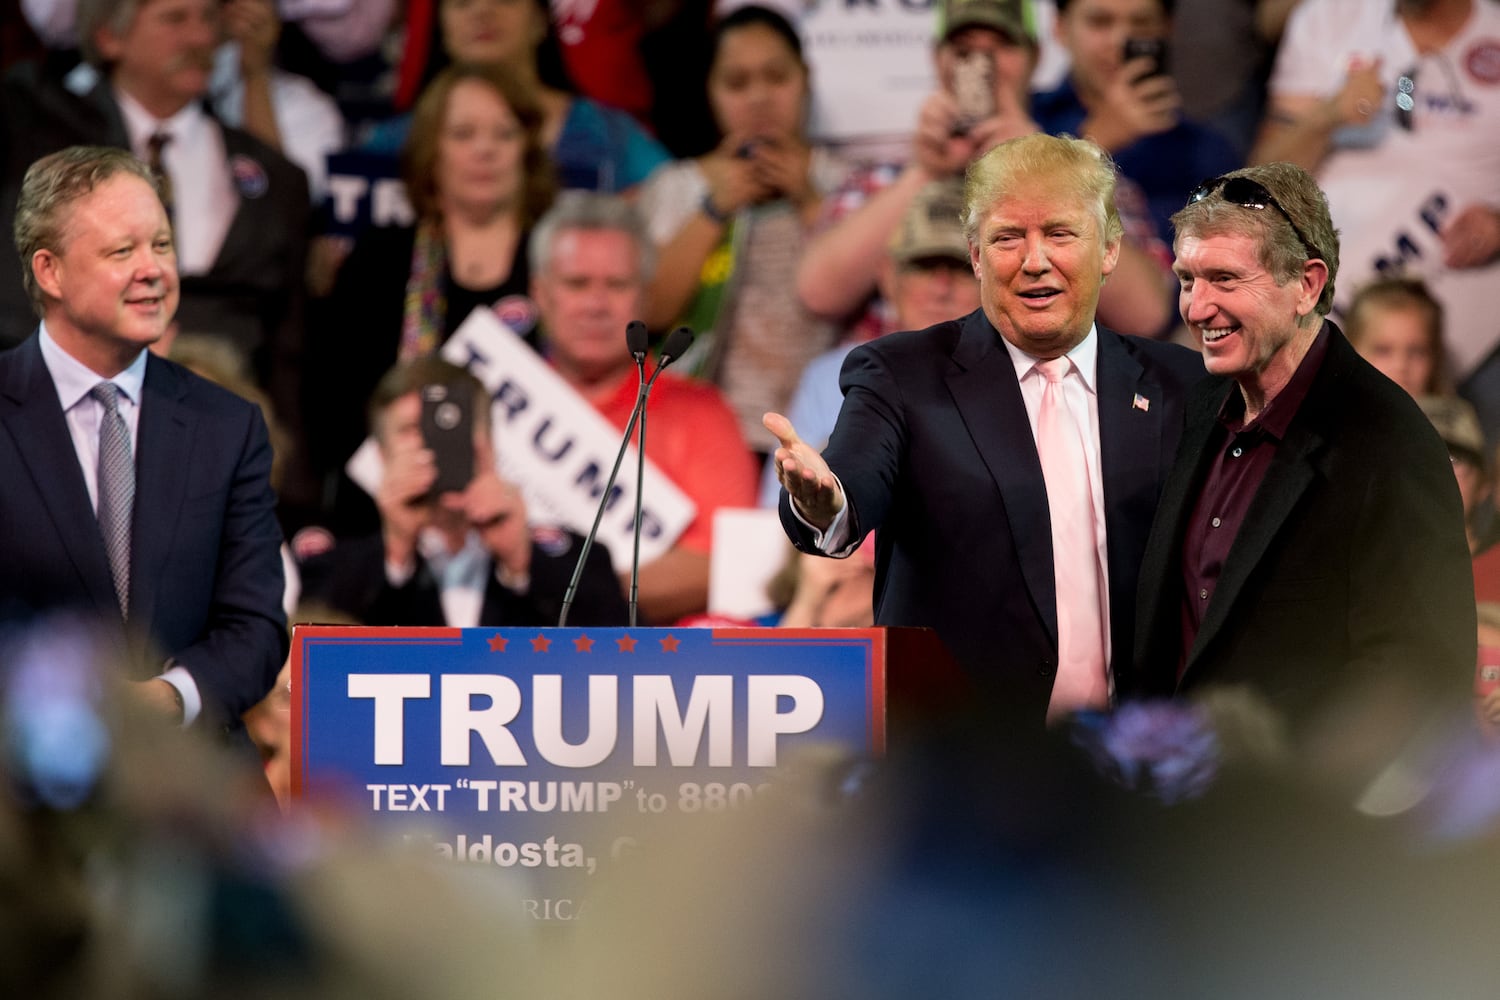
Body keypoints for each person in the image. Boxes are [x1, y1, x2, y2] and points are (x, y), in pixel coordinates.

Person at [766, 133, 1205, 724]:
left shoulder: (1181, 385)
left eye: (1060, 233)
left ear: (1108, 249)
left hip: (1132, 761)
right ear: (976, 255)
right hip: (961, 761)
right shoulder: (902, 374)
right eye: (1007, 238)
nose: (1034, 260)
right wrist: (826, 501)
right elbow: (854, 476)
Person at [1130, 162, 1475, 734]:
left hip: (1293, 810)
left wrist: (1304, 795)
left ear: (1307, 285)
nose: (1196, 308)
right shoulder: (1198, 405)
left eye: (1225, 279)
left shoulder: (1389, 440)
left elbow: (1421, 674)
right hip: (1175, 800)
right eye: (1189, 280)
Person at [0, 145, 286, 746]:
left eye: (161, 244)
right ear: (50, 271)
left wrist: (169, 699)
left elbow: (255, 626)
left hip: (193, 776)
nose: (153, 268)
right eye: (121, 251)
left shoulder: (228, 426)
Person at [0, 0, 311, 434]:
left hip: (214, 440)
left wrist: (292, 485)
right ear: (110, 36)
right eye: (175, 19)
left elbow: (288, 347)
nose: (202, 38)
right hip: (52, 426)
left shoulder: (277, 178)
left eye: (209, 19)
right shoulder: (32, 133)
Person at [795, 0, 1176, 343]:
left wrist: (1040, 164)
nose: (984, 65)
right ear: (937, 59)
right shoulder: (886, 178)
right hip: (900, 405)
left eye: (1001, 47)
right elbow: (818, 293)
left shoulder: (1085, 175)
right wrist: (925, 172)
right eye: (965, 51)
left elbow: (1146, 315)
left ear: (1035, 56)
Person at [308, 62, 557, 531]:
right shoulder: (380, 260)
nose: (484, 150)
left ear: (527, 150)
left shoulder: (560, 260)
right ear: (431, 152)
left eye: (503, 134)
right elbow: (331, 404)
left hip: (531, 514)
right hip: (388, 517)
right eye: (463, 134)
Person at [1250, 0, 1500, 433]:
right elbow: (1260, 184)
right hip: (1330, 303)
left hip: (1472, 317)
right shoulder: (1328, 18)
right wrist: (1327, 116)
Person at [530, 191, 758, 624]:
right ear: (540, 293)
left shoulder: (701, 414)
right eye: (577, 284)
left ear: (645, 298)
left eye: (616, 285)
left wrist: (563, 592)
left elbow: (720, 565)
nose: (596, 305)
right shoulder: (489, 399)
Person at [636, 5, 851, 446]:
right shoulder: (676, 188)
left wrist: (811, 203)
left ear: (806, 78)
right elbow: (648, 312)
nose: (759, 98)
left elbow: (870, 303)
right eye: (737, 83)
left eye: (776, 78)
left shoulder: (845, 183)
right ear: (710, 91)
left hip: (824, 432)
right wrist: (714, 209)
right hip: (698, 435)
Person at [300, 356, 625, 629]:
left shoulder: (581, 564)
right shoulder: (334, 571)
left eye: (449, 427)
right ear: (383, 457)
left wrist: (521, 564)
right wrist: (397, 552)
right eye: (413, 430)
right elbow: (314, 670)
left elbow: (618, 663)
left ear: (489, 441)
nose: (431, 444)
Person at [756, 176, 982, 506]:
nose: (941, 286)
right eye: (923, 265)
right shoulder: (831, 376)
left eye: (959, 267)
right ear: (889, 276)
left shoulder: (1021, 375)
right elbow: (772, 516)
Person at [365, 0, 669, 193]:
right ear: (442, 28)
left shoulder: (611, 135)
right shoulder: (398, 140)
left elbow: (676, 207)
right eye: (462, 2)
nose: (482, 10)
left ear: (540, 22)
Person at [1032, 0, 1241, 239]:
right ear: (1059, 27)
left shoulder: (1206, 152)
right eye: (1100, 22)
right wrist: (1094, 141)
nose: (1119, 41)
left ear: (1167, 29)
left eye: (1141, 24)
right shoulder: (1026, 123)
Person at [1345, 276, 1453, 398]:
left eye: (1417, 351)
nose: (1400, 366)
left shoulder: (1457, 415)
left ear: (1435, 357)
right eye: (1383, 350)